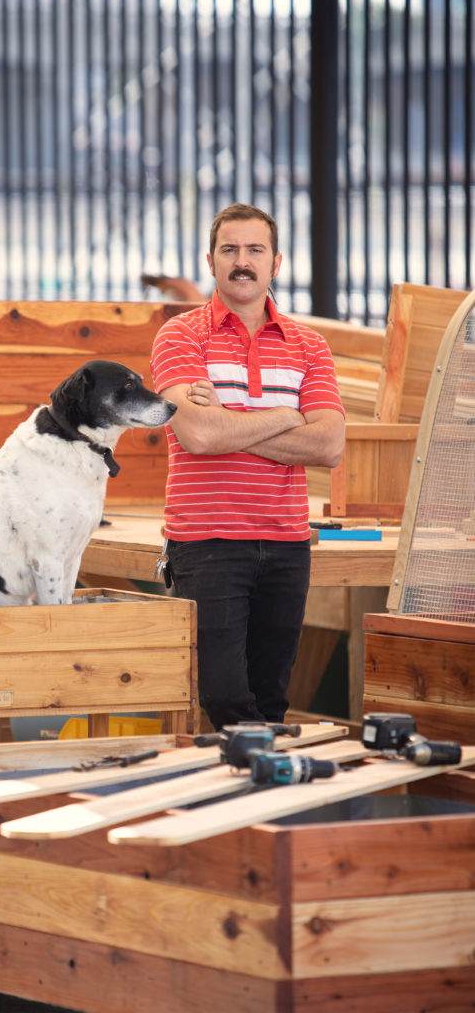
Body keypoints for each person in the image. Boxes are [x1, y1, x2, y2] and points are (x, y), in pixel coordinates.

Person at [150, 203, 345, 730]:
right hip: (208, 544)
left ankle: (265, 804)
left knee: (271, 700)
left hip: (286, 545)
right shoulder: (180, 336)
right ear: (210, 261)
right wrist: (286, 415)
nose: (243, 262)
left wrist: (227, 423)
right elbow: (196, 433)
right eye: (230, 250)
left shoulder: (310, 346)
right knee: (226, 698)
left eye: (255, 250)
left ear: (275, 262)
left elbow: (329, 445)